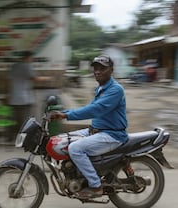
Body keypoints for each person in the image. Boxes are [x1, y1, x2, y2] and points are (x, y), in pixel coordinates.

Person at [51, 55, 128, 199]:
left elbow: (95, 110)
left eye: (102, 69)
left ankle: (96, 186)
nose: (98, 72)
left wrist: (66, 116)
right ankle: (77, 174)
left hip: (112, 134)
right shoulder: (101, 88)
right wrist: (63, 113)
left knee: (75, 148)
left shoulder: (115, 90)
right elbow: (91, 107)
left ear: (111, 70)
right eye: (96, 68)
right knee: (63, 140)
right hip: (96, 131)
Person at [8, 50, 50, 139]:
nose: (32, 60)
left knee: (15, 119)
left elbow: (9, 80)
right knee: (25, 120)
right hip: (24, 98)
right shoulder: (26, 66)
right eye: (31, 58)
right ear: (27, 58)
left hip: (14, 98)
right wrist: (47, 78)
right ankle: (23, 139)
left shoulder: (14, 66)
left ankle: (11, 138)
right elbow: (35, 78)